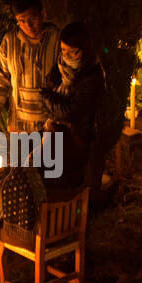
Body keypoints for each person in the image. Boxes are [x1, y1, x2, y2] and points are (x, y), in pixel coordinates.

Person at [0, 0, 61, 137]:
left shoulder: (57, 39)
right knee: (19, 161)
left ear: (42, 14)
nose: (28, 25)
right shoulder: (10, 41)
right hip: (18, 127)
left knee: (52, 160)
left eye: (32, 18)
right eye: (21, 21)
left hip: (51, 127)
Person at [42, 22, 105, 190]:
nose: (67, 56)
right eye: (63, 50)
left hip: (76, 141)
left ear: (84, 49)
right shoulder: (59, 68)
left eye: (72, 51)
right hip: (53, 135)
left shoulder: (92, 76)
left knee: (66, 186)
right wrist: (51, 101)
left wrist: (48, 99)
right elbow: (49, 99)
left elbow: (71, 112)